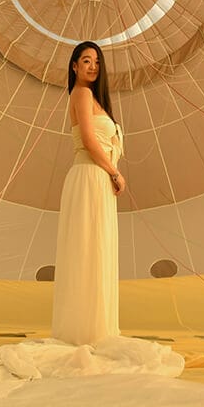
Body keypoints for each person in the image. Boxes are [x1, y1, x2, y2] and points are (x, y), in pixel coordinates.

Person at [50, 40, 126, 345]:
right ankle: (83, 331)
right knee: (87, 249)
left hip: (97, 179)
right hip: (89, 176)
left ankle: (95, 328)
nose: (92, 66)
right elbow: (89, 141)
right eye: (85, 61)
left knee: (96, 249)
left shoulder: (97, 100)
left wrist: (110, 173)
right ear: (74, 66)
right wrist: (115, 172)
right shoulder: (80, 94)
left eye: (96, 61)